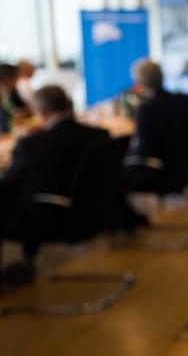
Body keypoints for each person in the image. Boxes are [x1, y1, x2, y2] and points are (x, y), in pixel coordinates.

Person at [0, 86, 108, 279]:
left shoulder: (31, 145)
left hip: (52, 217)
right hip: (93, 212)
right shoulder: (99, 135)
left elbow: (8, 184)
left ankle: (24, 265)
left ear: (40, 112)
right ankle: (27, 261)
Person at [125, 59, 188, 195]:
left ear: (139, 83)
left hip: (157, 173)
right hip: (184, 171)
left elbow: (143, 149)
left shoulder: (146, 110)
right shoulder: (186, 100)